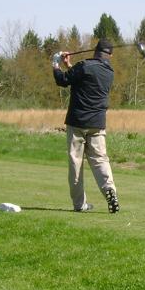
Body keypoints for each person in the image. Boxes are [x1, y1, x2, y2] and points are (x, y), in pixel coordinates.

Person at [52, 39, 120, 213]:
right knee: (100, 161)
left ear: (95, 51)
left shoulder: (84, 65)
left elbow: (63, 81)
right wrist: (69, 65)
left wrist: (56, 64)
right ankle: (110, 191)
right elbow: (82, 78)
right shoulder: (109, 72)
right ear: (109, 56)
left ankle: (79, 205)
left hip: (77, 123)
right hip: (97, 124)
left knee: (76, 164)